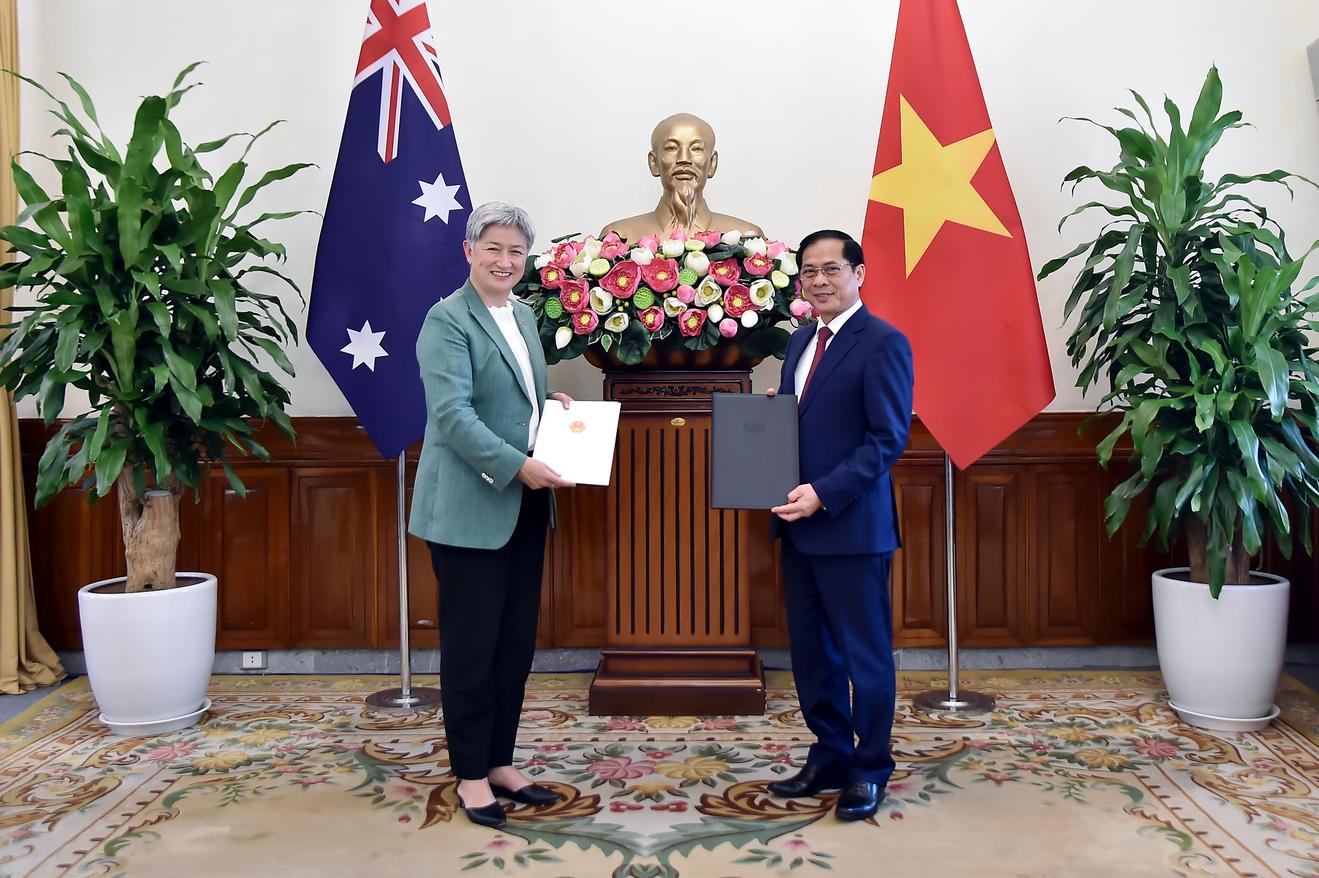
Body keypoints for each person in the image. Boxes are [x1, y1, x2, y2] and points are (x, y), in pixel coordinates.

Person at [408, 201, 574, 829]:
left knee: (514, 643)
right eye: (494, 249)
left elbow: (511, 399)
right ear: (469, 251)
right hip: (471, 505)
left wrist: (549, 406)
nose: (505, 262)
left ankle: (501, 761)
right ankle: (471, 774)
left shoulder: (523, 314)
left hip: (524, 503)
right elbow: (453, 417)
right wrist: (518, 465)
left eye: (516, 252)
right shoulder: (445, 320)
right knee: (473, 647)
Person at [765, 229, 914, 821]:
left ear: (859, 274)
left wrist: (823, 494)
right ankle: (829, 753)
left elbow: (887, 440)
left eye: (832, 269)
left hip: (851, 527)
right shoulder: (800, 341)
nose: (820, 281)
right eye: (809, 271)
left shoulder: (884, 342)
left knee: (864, 657)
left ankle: (871, 768)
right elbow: (796, 423)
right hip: (797, 526)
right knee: (812, 655)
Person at [599, 113, 763, 241]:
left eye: (696, 148)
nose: (684, 158)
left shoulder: (747, 238)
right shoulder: (619, 237)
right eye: (671, 148)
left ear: (712, 163)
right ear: (654, 162)